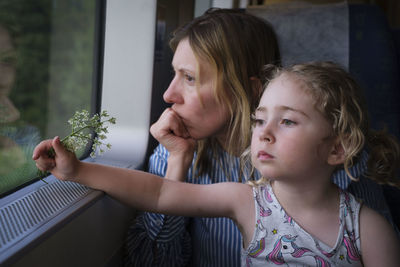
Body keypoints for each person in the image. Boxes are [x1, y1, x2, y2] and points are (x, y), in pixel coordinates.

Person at [33, 61, 400, 266]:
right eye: (259, 120)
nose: (264, 133)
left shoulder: (368, 229)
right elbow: (160, 192)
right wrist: (78, 171)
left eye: (287, 121)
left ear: (337, 149)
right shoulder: (247, 202)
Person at [123, 8, 396, 267]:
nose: (168, 95)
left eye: (190, 78)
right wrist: (177, 164)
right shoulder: (173, 153)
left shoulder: (336, 157)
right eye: (175, 74)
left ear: (249, 88)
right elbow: (153, 262)